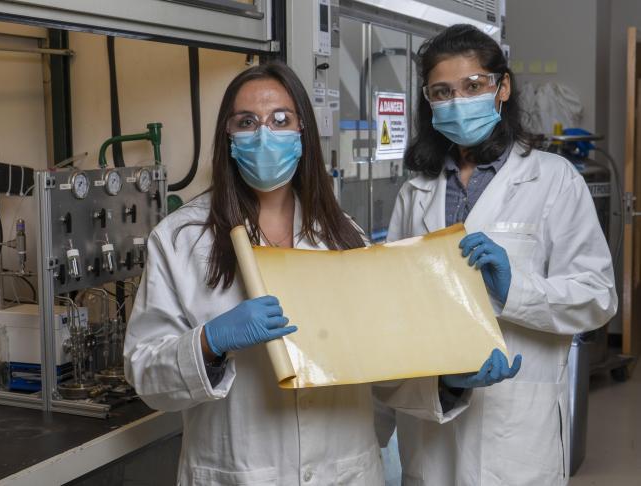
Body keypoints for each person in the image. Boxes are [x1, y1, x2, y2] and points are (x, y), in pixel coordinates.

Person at [124, 61, 516, 485]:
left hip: (343, 471)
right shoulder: (182, 239)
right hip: (238, 474)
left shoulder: (344, 237)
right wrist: (208, 342)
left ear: (302, 131)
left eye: (280, 119)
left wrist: (450, 380)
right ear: (228, 136)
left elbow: (381, 369)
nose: (264, 133)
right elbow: (146, 374)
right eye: (246, 122)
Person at [387, 24, 618, 485]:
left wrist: (516, 289)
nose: (458, 101)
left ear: (502, 87)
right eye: (442, 91)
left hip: (516, 430)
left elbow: (597, 297)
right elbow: (395, 307)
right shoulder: (416, 192)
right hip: (433, 420)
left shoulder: (554, 179)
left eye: (472, 86)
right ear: (428, 102)